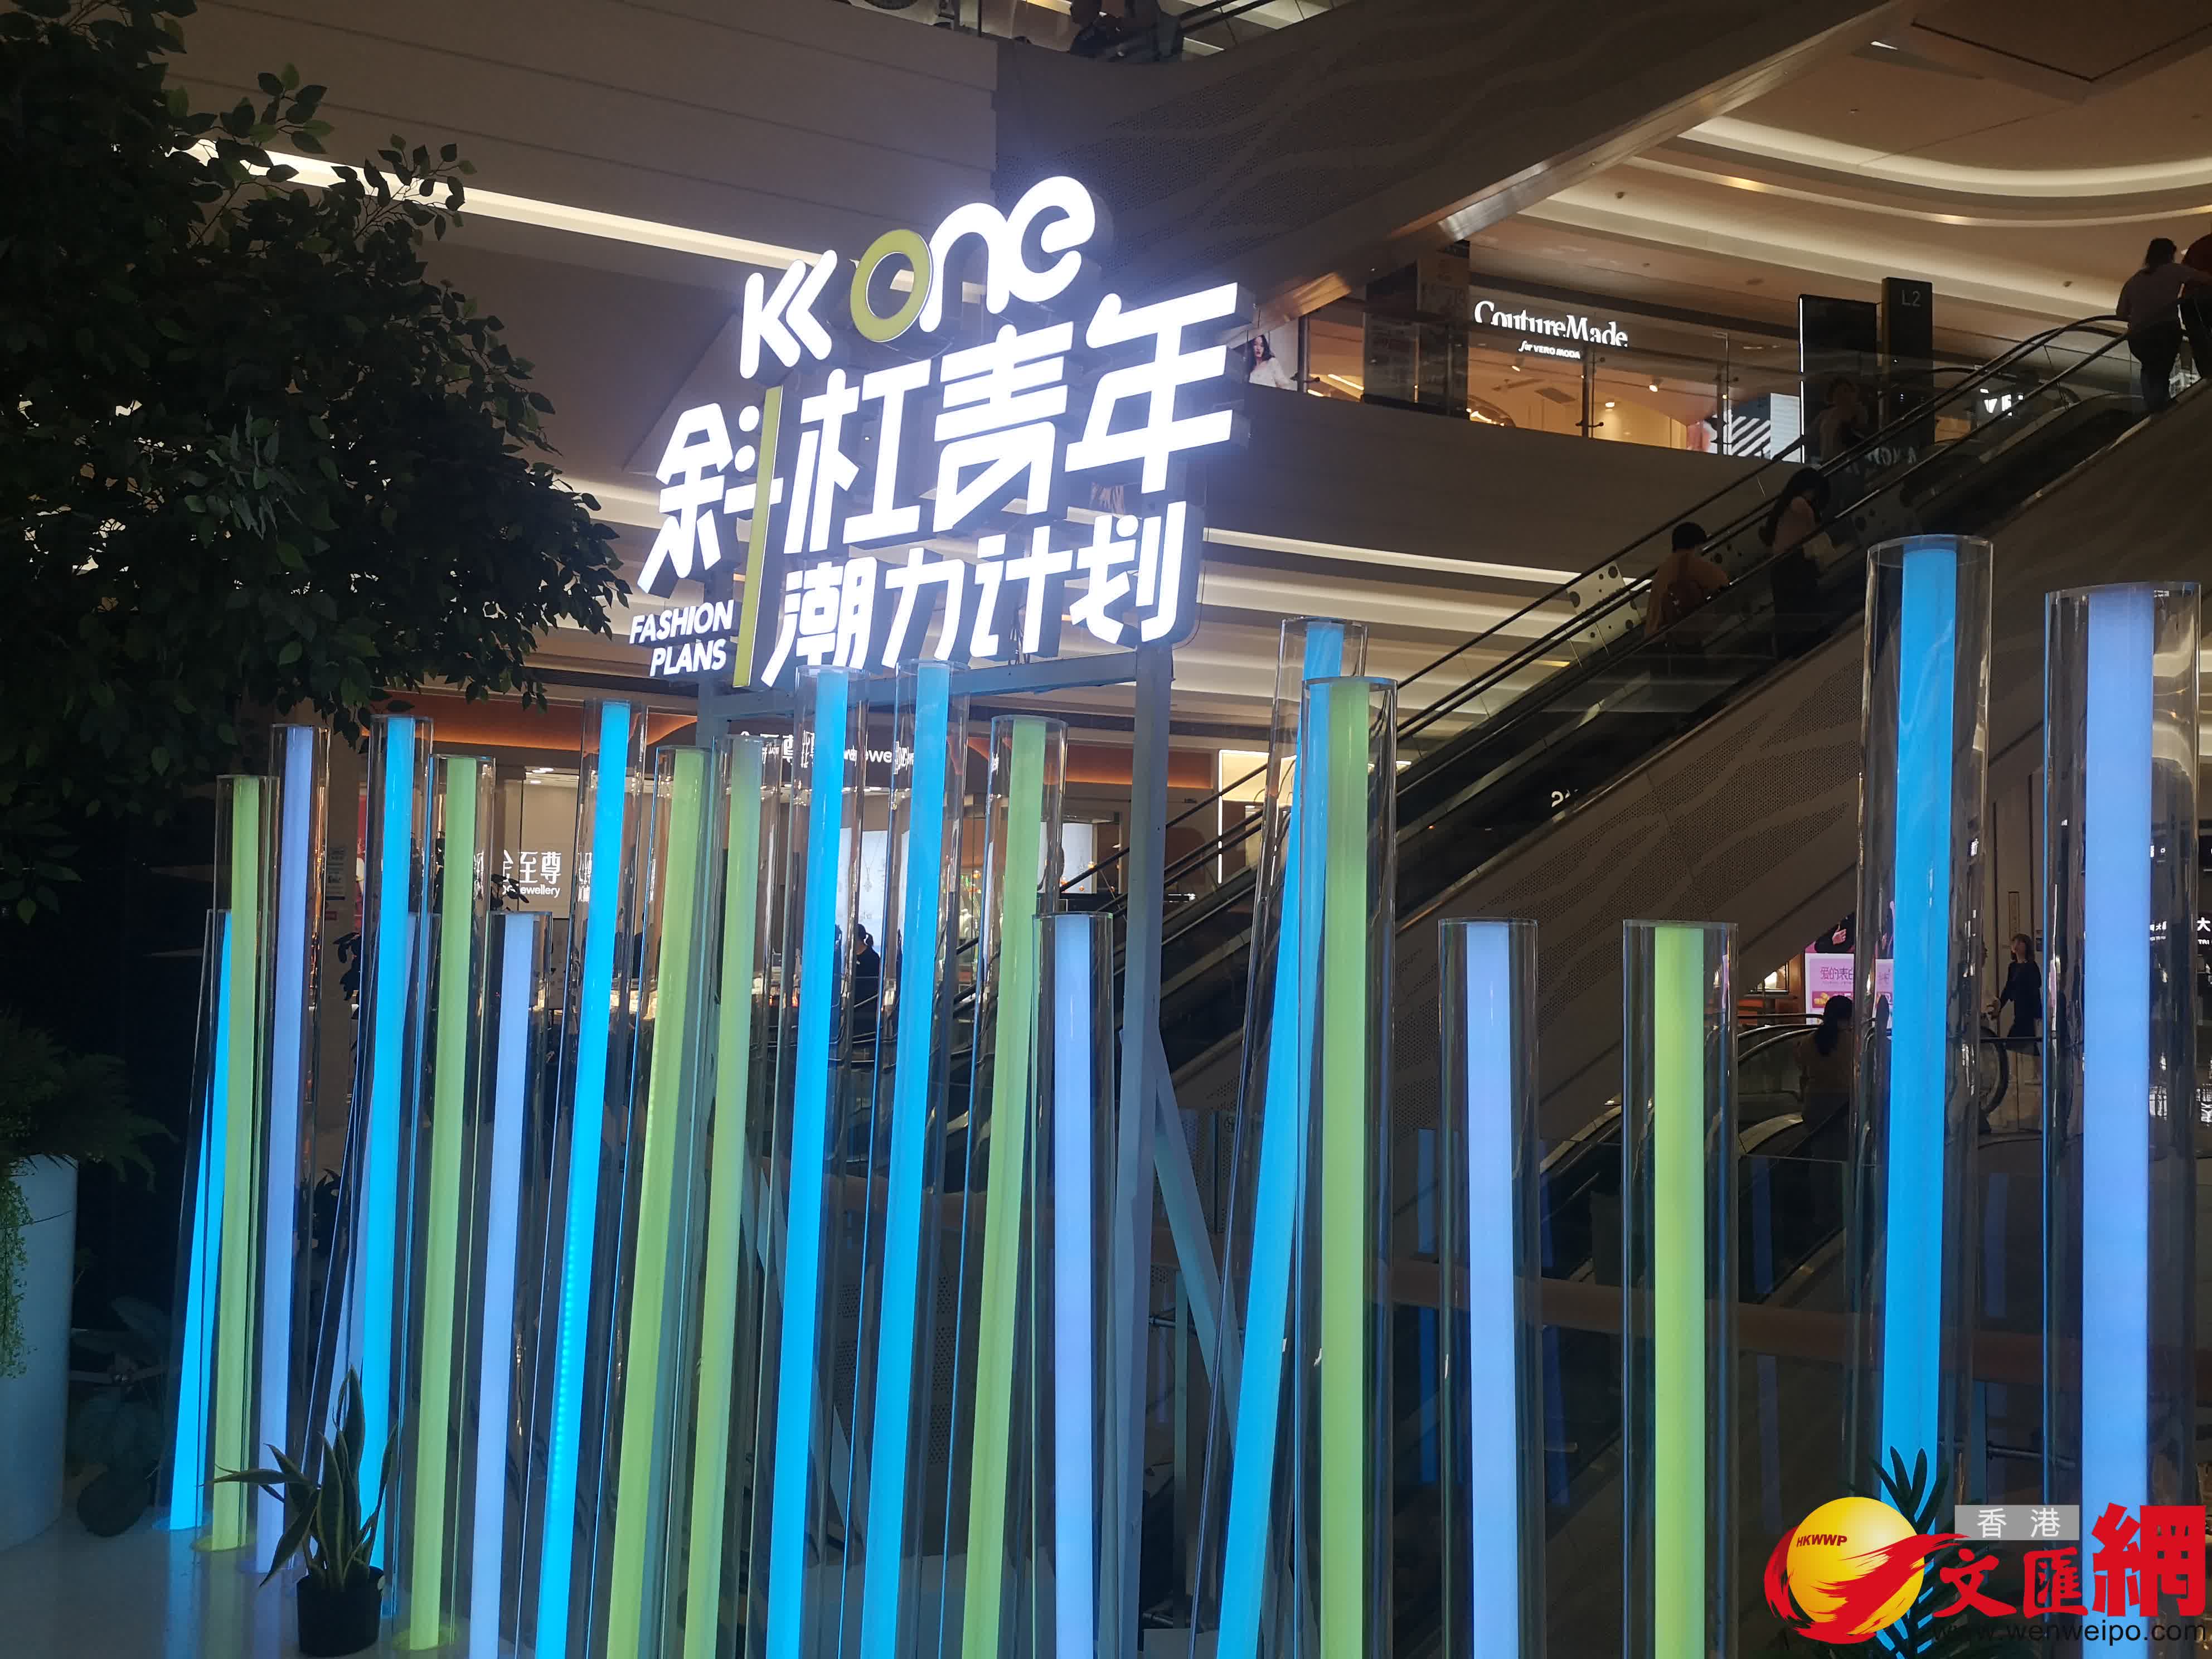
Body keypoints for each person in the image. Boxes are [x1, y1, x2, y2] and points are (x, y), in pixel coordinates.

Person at [2115, 237, 2212, 413]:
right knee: (2161, 370)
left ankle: (2154, 408)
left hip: (2138, 335)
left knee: (2150, 369)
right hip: (2165, 331)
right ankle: (2159, 408)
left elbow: (2121, 313)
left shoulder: (2135, 280)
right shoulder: (2174, 270)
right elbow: (2204, 279)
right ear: (2169, 254)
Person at [1759, 467, 1832, 654]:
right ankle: (1809, 644)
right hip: (1795, 563)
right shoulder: (1800, 504)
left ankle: (1789, 649)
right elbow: (1814, 528)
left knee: (1787, 612)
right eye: (1814, 491)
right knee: (1806, 607)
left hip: (1780, 565)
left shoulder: (1783, 506)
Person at [1644, 520, 1728, 640]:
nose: (1701, 553)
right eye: (1701, 548)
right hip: (1673, 637)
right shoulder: (1687, 562)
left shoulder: (1664, 567)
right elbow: (1722, 581)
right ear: (1697, 545)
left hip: (1654, 636)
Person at [1800, 995, 1855, 1128]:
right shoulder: (1854, 1042)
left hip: (1813, 1105)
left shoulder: (1808, 1041)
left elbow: (1803, 1071)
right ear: (1849, 1017)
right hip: (1843, 1109)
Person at [1813, 376, 1870, 463]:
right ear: (1833, 396)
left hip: (1846, 463)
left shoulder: (1858, 410)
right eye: (1839, 393)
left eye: (1846, 391)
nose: (1844, 395)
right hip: (1827, 462)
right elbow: (1809, 435)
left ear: (1853, 393)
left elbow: (1861, 433)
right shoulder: (1825, 414)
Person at [2183, 219, 2212, 386]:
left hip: (2192, 303)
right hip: (2200, 301)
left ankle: (2207, 376)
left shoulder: (2198, 246)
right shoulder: (2201, 246)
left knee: (2200, 342)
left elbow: (2186, 274)